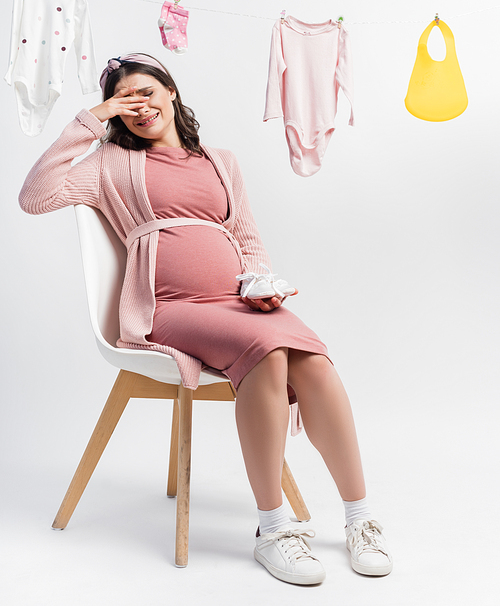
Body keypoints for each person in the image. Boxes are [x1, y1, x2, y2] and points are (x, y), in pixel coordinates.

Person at [19, 53, 392, 585]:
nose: (138, 107)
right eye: (125, 102)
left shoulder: (220, 160)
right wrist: (91, 118)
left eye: (146, 92)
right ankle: (273, 529)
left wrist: (259, 286)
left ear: (171, 92)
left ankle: (360, 519)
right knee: (268, 353)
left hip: (238, 304)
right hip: (168, 309)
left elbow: (246, 236)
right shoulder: (109, 165)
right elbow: (35, 197)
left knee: (312, 359)